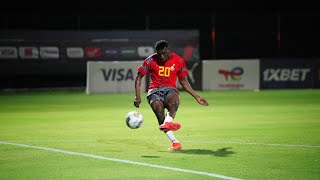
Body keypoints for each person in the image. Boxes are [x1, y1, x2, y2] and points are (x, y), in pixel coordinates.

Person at [133, 40, 209, 150]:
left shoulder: (178, 60)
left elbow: (183, 81)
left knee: (174, 102)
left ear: (168, 50)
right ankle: (175, 142)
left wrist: (196, 96)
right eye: (159, 54)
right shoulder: (150, 60)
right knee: (160, 115)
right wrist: (137, 96)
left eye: (164, 53)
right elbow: (138, 77)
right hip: (154, 91)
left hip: (170, 89)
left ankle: (168, 123)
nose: (162, 56)